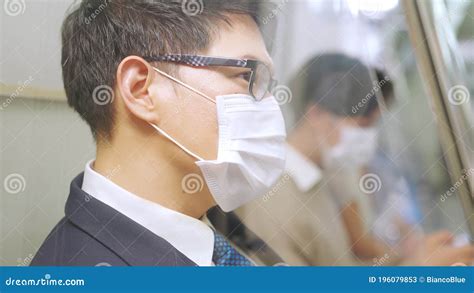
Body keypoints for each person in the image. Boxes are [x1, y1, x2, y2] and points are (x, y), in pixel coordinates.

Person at [31, 0, 287, 266]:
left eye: (266, 83)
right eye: (247, 76)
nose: (270, 102)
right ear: (141, 89)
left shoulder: (218, 234)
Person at [230, 53, 474, 266]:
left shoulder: (323, 178)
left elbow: (344, 267)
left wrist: (414, 257)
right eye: (363, 125)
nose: (369, 137)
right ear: (316, 114)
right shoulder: (274, 200)